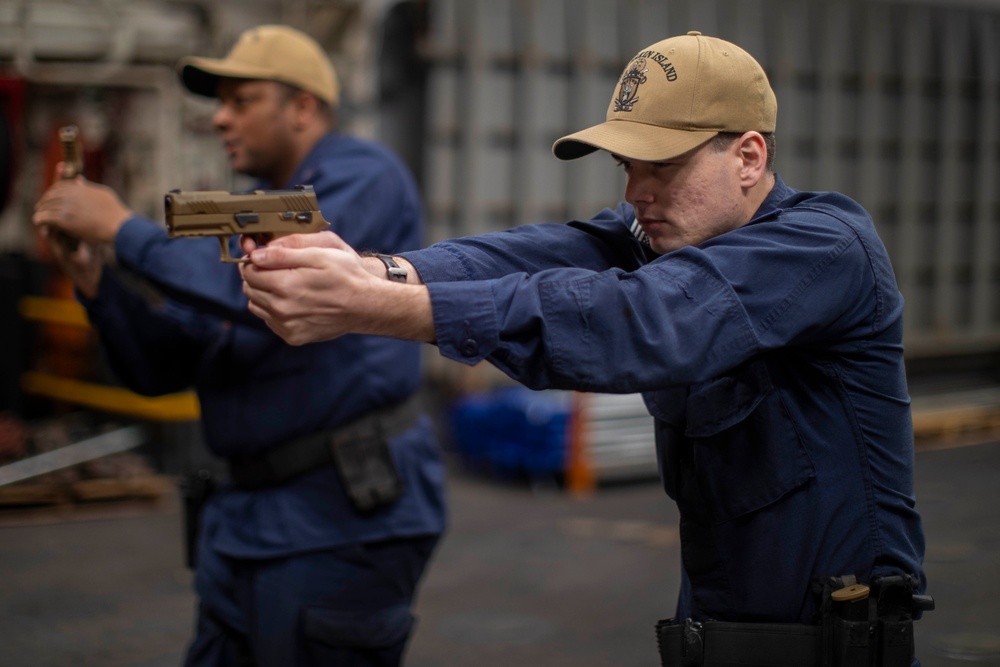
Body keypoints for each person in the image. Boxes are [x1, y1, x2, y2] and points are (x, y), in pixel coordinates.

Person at [238, 31, 931, 666]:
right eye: (627, 165)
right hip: (719, 634)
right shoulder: (664, 235)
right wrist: (378, 270)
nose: (636, 192)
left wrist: (385, 308)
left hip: (829, 647)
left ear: (748, 156)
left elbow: (642, 320)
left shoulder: (822, 246)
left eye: (661, 165)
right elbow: (543, 251)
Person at [33, 24, 447, 667]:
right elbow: (163, 364)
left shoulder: (361, 176)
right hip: (247, 520)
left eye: (242, 99)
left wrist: (120, 228)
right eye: (219, 102)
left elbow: (270, 293)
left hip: (337, 519)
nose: (220, 118)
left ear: (303, 107)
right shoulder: (249, 212)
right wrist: (95, 280)